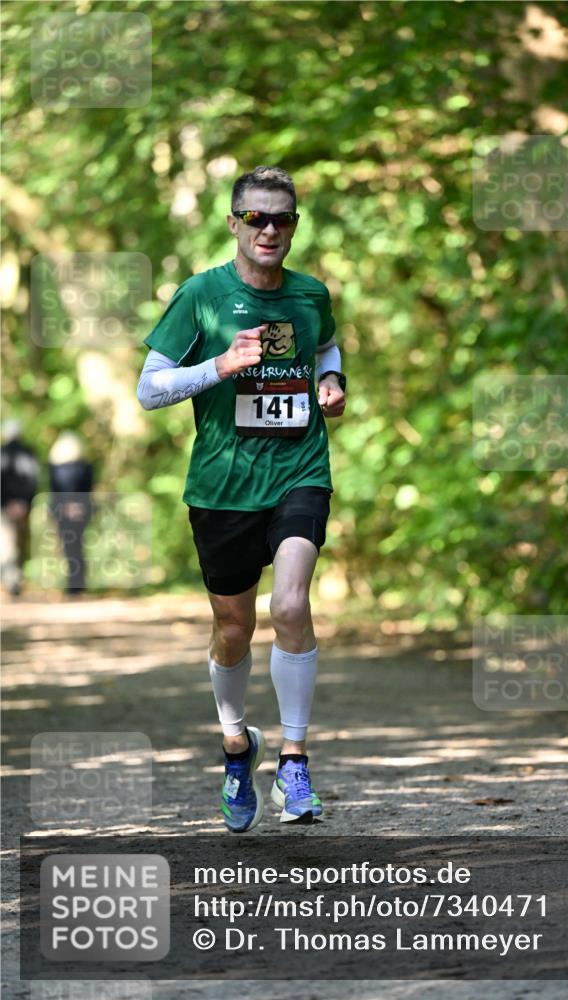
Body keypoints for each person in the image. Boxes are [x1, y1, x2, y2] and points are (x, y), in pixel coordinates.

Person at [137, 166, 346, 831]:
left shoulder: (310, 295)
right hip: (222, 485)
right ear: (234, 223)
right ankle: (236, 745)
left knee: (290, 604)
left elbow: (327, 344)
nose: (270, 229)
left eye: (282, 218)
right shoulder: (201, 295)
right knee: (234, 628)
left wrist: (332, 380)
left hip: (298, 470)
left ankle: (293, 759)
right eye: (256, 217)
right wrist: (219, 367)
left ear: (294, 226)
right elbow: (149, 390)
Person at [48, 431, 94, 595]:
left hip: (64, 510)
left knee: (69, 546)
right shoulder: (86, 466)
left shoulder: (55, 468)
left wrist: (65, 506)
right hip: (81, 509)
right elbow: (88, 489)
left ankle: (74, 584)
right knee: (78, 545)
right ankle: (78, 583)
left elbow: (55, 490)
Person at [0, 419, 39, 597]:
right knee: (17, 544)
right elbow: (32, 481)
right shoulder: (28, 453)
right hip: (21, 507)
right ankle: (13, 582)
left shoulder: (3, 453)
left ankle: (13, 581)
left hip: (7, 507)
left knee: (9, 544)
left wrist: (7, 503)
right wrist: (24, 502)